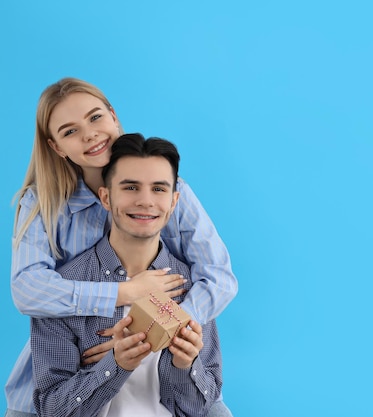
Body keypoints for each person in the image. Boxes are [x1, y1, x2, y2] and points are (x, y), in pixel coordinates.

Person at [6, 78, 237, 417]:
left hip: (164, 368)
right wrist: (124, 293)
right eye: (70, 132)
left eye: (96, 118)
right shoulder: (43, 203)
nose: (89, 134)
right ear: (56, 147)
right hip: (69, 363)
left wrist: (167, 326)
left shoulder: (169, 193)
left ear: (114, 117)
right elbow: (27, 290)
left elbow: (218, 277)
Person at [31, 133, 222, 417]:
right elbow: (52, 409)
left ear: (174, 201)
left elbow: (200, 409)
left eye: (159, 189)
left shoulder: (194, 289)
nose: (145, 201)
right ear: (106, 197)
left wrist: (187, 366)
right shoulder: (63, 291)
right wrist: (116, 365)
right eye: (130, 187)